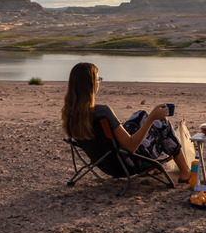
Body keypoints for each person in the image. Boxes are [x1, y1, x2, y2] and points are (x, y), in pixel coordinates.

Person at [61, 62, 192, 183]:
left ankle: (159, 167)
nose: (99, 82)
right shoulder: (103, 112)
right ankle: (185, 172)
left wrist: (147, 117)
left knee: (140, 115)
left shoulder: (70, 113)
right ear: (91, 84)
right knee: (162, 124)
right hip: (127, 163)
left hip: (106, 164)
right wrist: (152, 117)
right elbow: (130, 147)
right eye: (97, 79)